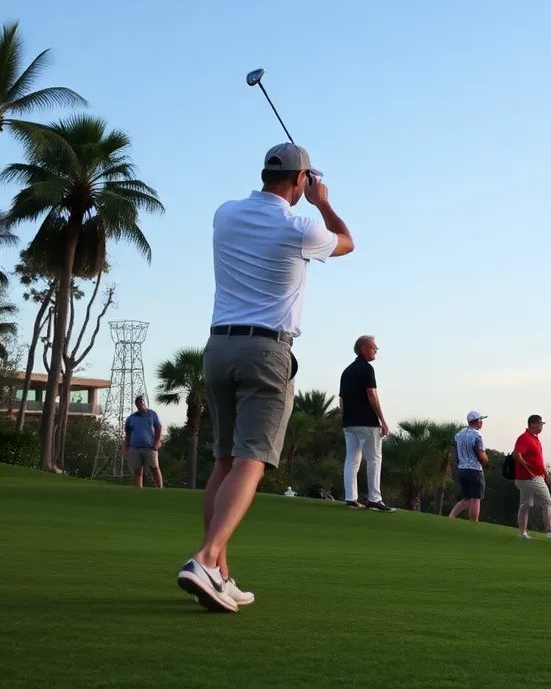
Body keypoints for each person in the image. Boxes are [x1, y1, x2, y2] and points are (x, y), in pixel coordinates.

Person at [177, 143, 354, 613]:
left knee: (224, 460)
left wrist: (304, 194)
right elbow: (347, 242)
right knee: (251, 460)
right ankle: (205, 558)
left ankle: (221, 574)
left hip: (217, 348)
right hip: (266, 350)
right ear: (300, 181)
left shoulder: (225, 213)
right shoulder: (301, 225)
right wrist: (323, 202)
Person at [339, 334, 394, 512]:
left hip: (349, 422)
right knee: (374, 459)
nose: (375, 351)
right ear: (363, 348)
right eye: (373, 348)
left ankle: (350, 498)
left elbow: (341, 401)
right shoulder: (367, 369)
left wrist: (347, 418)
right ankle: (374, 499)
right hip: (367, 422)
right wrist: (382, 420)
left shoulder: (346, 371)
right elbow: (372, 395)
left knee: (352, 459)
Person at [512, 414, 551, 540]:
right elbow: (517, 454)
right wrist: (528, 470)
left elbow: (538, 460)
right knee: (547, 501)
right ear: (533, 425)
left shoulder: (534, 438)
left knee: (525, 504)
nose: (542, 426)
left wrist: (545, 474)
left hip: (530, 477)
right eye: (540, 424)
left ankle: (522, 533)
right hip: (530, 478)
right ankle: (550, 530)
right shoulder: (525, 438)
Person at [449, 411, 488, 522]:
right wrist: (487, 461)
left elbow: (456, 452)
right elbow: (481, 454)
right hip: (475, 469)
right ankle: (473, 523)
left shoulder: (459, 434)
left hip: (462, 468)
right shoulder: (477, 435)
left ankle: (451, 517)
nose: (482, 423)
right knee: (476, 498)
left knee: (466, 499)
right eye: (481, 420)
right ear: (476, 421)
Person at [124, 395, 163, 489]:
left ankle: (160, 489)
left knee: (154, 468)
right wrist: (126, 448)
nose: (140, 406)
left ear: (144, 403)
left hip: (150, 447)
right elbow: (127, 434)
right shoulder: (131, 418)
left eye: (141, 404)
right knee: (137, 471)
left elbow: (158, 427)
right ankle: (138, 491)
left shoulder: (152, 414)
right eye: (138, 405)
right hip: (135, 448)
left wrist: (157, 442)